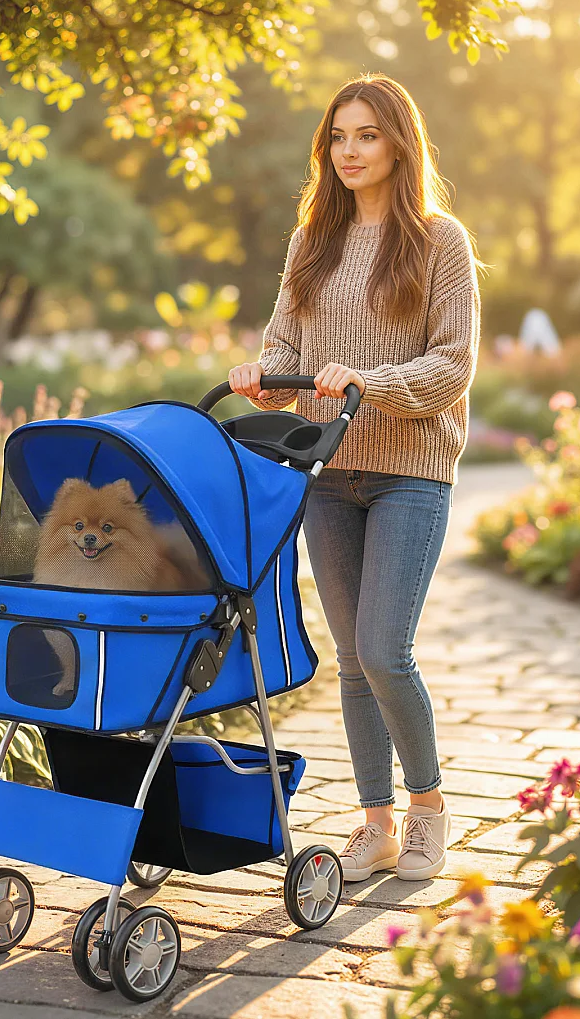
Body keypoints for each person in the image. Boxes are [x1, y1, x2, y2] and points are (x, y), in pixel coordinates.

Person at [228, 73, 483, 883]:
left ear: (399, 142)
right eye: (338, 136)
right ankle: (374, 822)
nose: (349, 151)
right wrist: (261, 377)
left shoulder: (441, 240)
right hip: (328, 469)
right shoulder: (312, 241)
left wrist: (372, 381)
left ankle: (429, 807)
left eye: (367, 135)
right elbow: (287, 350)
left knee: (384, 649)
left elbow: (452, 361)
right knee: (349, 656)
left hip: (410, 469)